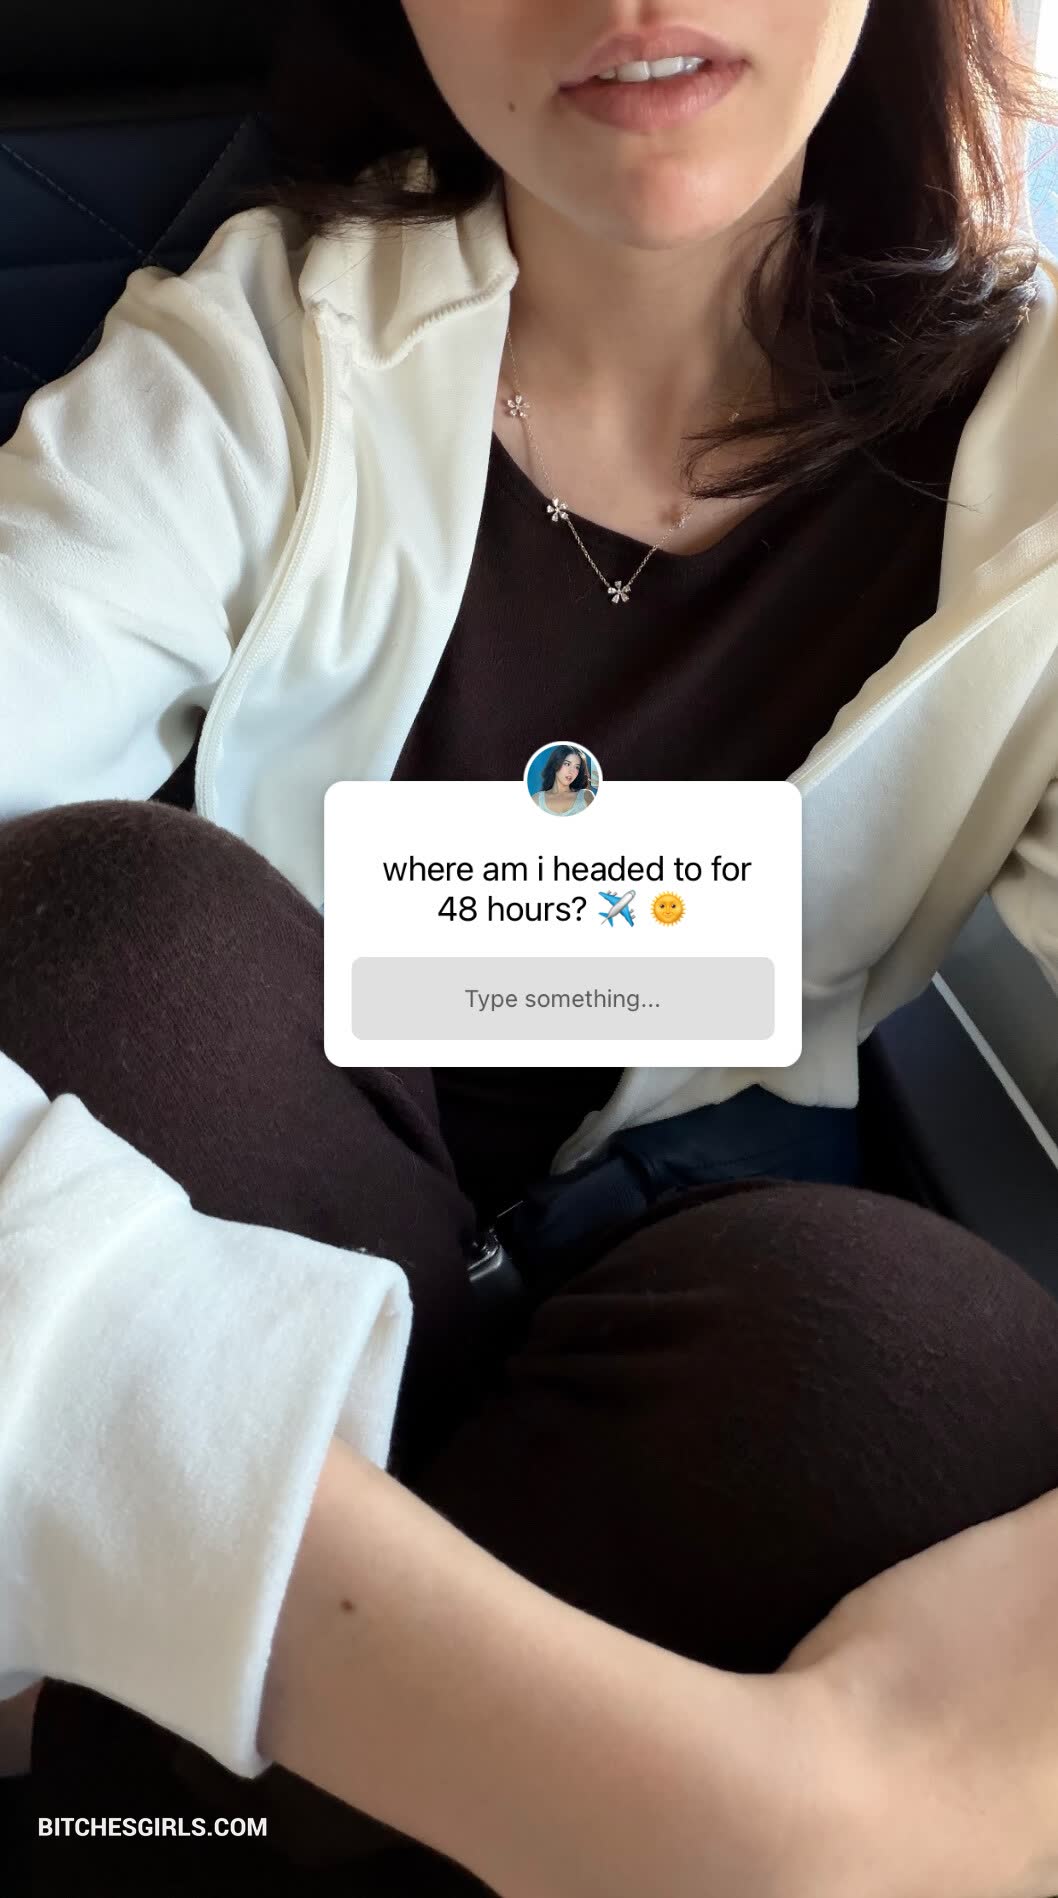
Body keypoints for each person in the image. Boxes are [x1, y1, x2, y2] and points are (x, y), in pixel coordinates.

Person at [1, 0, 1058, 1890]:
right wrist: (737, 1809)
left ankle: (108, 1789)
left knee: (916, 1379)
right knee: (123, 948)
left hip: (673, 1280)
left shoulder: (1034, 471)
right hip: (254, 1208)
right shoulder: (264, 354)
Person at [531, 746, 597, 814]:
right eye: (567, 764)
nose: (571, 771)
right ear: (555, 764)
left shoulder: (586, 796)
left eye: (577, 767)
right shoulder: (536, 800)